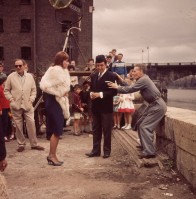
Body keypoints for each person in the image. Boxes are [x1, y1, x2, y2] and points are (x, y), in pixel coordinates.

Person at [107, 64, 167, 159]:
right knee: (139, 123)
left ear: (141, 71)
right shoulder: (142, 80)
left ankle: (149, 151)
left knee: (145, 126)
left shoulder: (144, 80)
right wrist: (119, 78)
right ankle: (145, 145)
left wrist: (116, 87)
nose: (132, 73)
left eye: (135, 71)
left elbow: (130, 89)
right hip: (153, 104)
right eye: (133, 71)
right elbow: (130, 86)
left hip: (157, 105)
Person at [4, 59, 44, 152]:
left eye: (20, 65)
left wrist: (31, 99)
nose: (18, 67)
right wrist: (11, 99)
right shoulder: (10, 77)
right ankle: (21, 144)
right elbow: (6, 90)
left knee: (31, 123)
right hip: (16, 104)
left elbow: (34, 90)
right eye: (16, 66)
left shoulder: (30, 76)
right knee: (18, 125)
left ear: (24, 65)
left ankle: (34, 144)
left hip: (28, 104)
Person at [40, 51, 70, 166]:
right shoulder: (55, 70)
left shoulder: (61, 70)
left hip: (57, 102)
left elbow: (62, 87)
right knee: (57, 130)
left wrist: (63, 92)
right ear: (60, 61)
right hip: (53, 102)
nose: (67, 62)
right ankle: (51, 155)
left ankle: (52, 155)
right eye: (66, 60)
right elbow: (45, 86)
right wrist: (60, 92)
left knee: (57, 130)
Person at [85, 55, 117, 159]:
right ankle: (95, 150)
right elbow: (90, 89)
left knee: (107, 130)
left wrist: (100, 94)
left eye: (101, 65)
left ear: (106, 64)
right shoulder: (94, 75)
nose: (99, 67)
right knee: (96, 130)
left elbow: (113, 92)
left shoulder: (111, 75)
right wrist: (91, 94)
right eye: (97, 65)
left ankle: (107, 151)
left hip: (106, 108)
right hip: (95, 107)